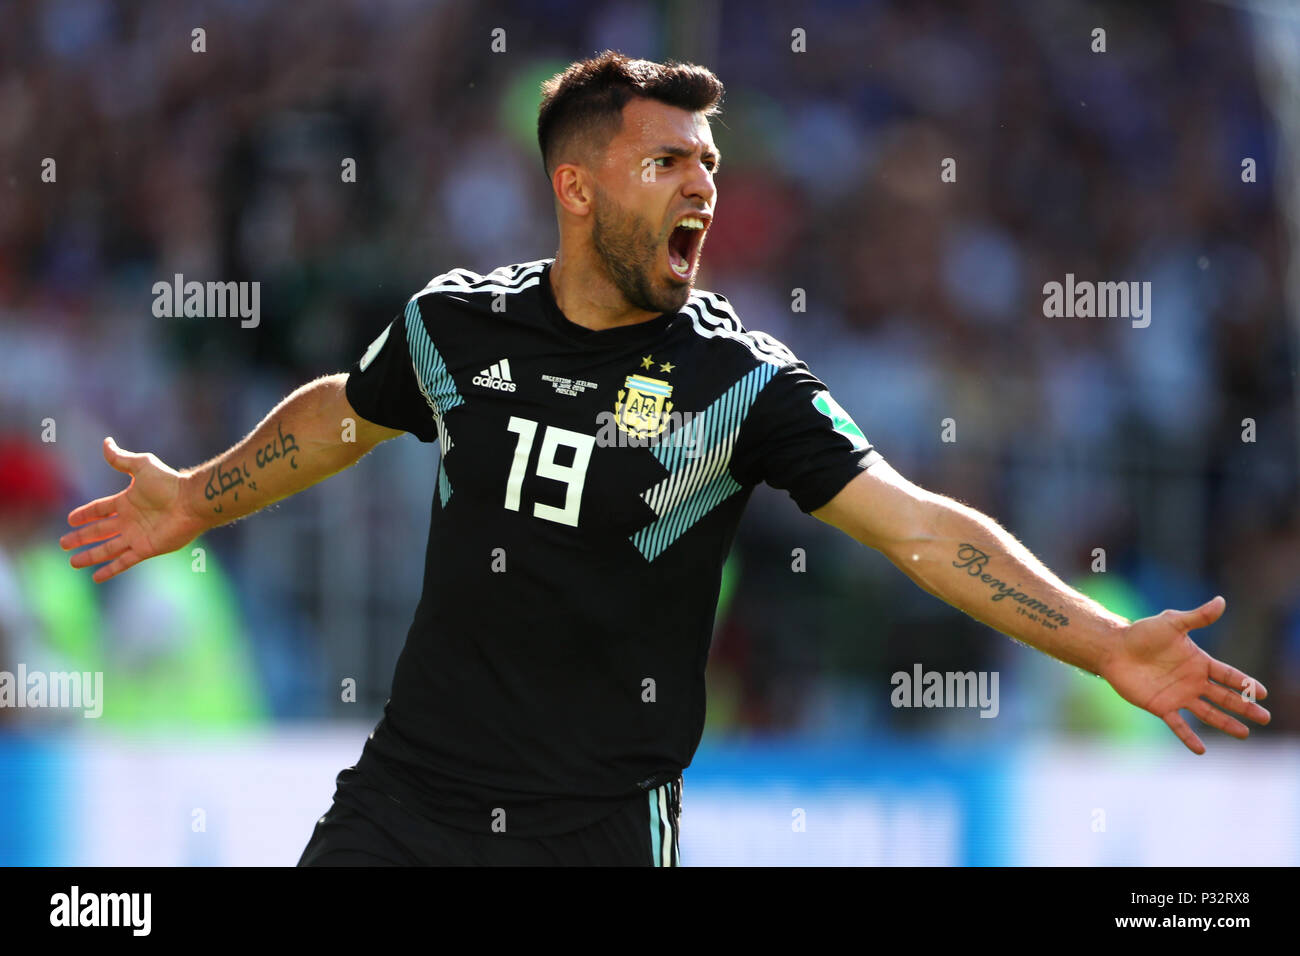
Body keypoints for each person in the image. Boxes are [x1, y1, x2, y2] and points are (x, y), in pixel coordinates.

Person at [60, 51, 1270, 866]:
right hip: (406, 805)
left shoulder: (738, 384)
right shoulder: (454, 324)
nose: (704, 182)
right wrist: (196, 498)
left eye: (708, 160)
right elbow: (343, 411)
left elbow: (917, 524)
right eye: (668, 162)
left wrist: (1102, 639)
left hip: (593, 830)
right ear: (575, 188)